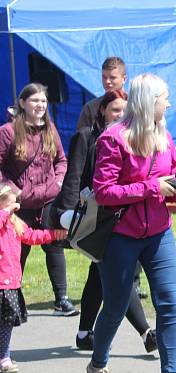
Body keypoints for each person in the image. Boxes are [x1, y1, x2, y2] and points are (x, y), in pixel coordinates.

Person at [86, 73, 176, 373]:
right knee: (116, 305)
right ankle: (98, 364)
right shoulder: (113, 138)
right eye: (164, 98)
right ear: (149, 102)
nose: (169, 103)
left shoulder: (163, 134)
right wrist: (154, 187)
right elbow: (104, 192)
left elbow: (167, 178)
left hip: (159, 232)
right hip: (121, 236)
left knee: (169, 303)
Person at [51, 89, 159, 354]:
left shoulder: (132, 138)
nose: (120, 115)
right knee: (115, 275)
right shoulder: (86, 136)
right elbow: (74, 175)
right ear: (102, 111)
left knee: (101, 275)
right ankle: (145, 332)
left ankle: (85, 332)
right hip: (95, 215)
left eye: (124, 111)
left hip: (123, 216)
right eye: (114, 110)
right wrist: (67, 214)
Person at [0, 83, 77, 316]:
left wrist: (60, 182)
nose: (40, 105)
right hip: (20, 203)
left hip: (48, 199)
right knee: (18, 250)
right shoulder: (8, 131)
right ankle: (12, 298)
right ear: (22, 103)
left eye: (43, 101)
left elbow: (61, 160)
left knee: (54, 246)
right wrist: (14, 191)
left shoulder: (50, 129)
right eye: (35, 100)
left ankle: (61, 299)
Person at [0, 182, 68, 373]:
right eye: (11, 205)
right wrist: (5, 212)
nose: (16, 209)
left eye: (16, 205)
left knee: (6, 323)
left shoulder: (15, 222)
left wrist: (54, 234)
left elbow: (32, 236)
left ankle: (4, 356)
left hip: (10, 284)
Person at [77, 57, 127, 130]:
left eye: (112, 78)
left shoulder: (133, 105)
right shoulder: (91, 108)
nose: (107, 81)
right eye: (104, 77)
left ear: (124, 79)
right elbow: (82, 138)